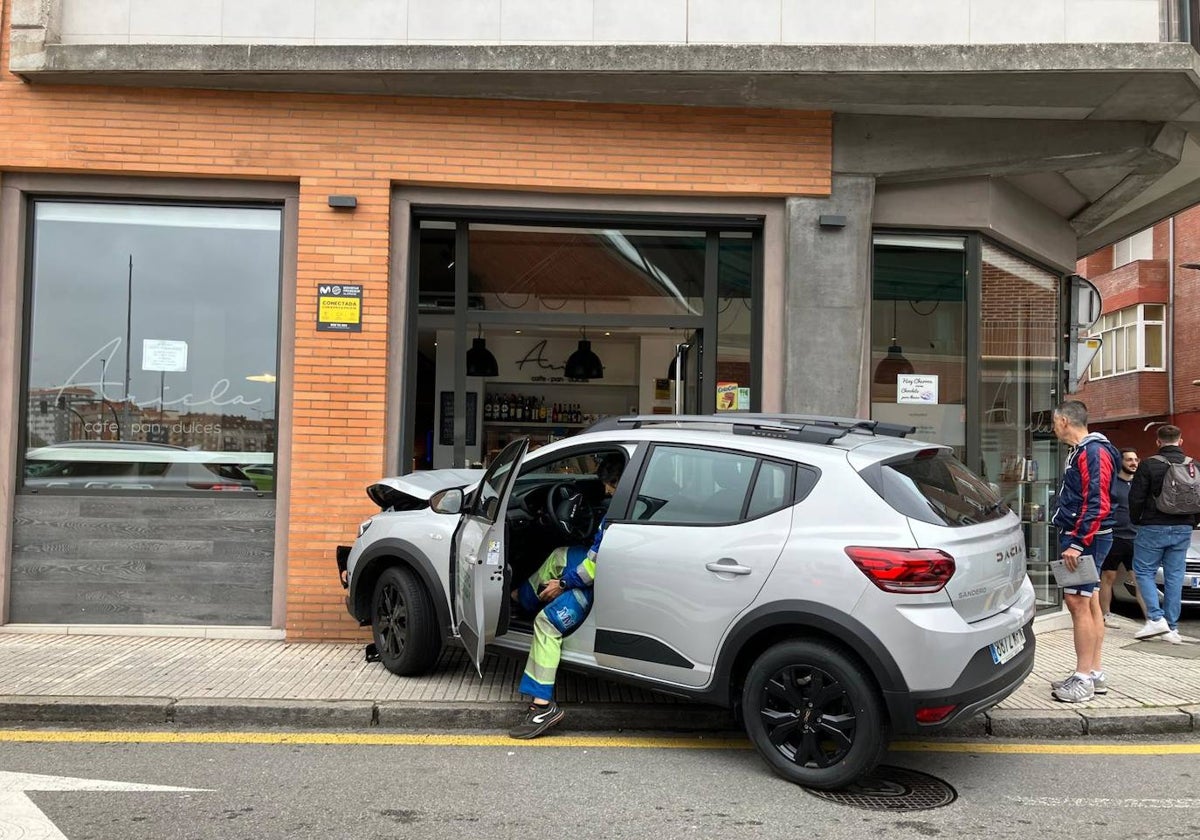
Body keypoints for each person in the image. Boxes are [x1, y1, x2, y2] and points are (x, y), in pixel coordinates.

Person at [508, 454, 624, 739]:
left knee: (545, 624)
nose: (606, 492)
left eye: (609, 486)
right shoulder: (633, 503)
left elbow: (593, 568)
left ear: (620, 482)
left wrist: (562, 584)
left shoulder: (615, 518)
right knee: (559, 554)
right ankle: (520, 598)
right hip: (602, 574)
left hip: (598, 587)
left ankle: (542, 706)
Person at [1049, 400, 1120, 703]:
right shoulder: (1090, 450)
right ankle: (1093, 673)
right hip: (1089, 536)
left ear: (1064, 421)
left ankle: (1083, 679)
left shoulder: (1092, 452)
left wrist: (1077, 542)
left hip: (1085, 539)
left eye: (1054, 422)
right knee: (1088, 603)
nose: (1052, 428)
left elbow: (1097, 501)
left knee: (1077, 604)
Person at [1129, 424, 1198, 645]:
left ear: (1158, 442)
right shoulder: (1194, 465)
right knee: (1175, 576)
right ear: (1181, 441)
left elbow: (1136, 498)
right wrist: (1192, 522)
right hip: (1184, 527)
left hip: (1152, 526)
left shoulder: (1149, 465)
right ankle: (1173, 627)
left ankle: (1156, 619)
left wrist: (1136, 520)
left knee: (1143, 571)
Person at [1098, 447, 1146, 627]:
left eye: (1136, 460)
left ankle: (1152, 620)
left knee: (1140, 579)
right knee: (1108, 576)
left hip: (1136, 538)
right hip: (1115, 536)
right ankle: (1105, 614)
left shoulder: (1139, 485)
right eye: (1129, 460)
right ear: (1121, 462)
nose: (1134, 463)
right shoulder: (1112, 484)